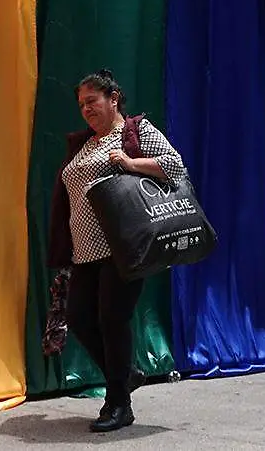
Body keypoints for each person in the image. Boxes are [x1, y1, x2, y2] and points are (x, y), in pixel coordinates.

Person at [47, 69, 187, 433]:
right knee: (80, 318)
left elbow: (175, 166)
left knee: (112, 319)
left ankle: (119, 404)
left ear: (113, 99)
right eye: (81, 104)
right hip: (84, 251)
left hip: (122, 247)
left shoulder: (135, 132)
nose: (86, 109)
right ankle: (126, 374)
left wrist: (129, 162)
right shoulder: (84, 143)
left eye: (92, 101)